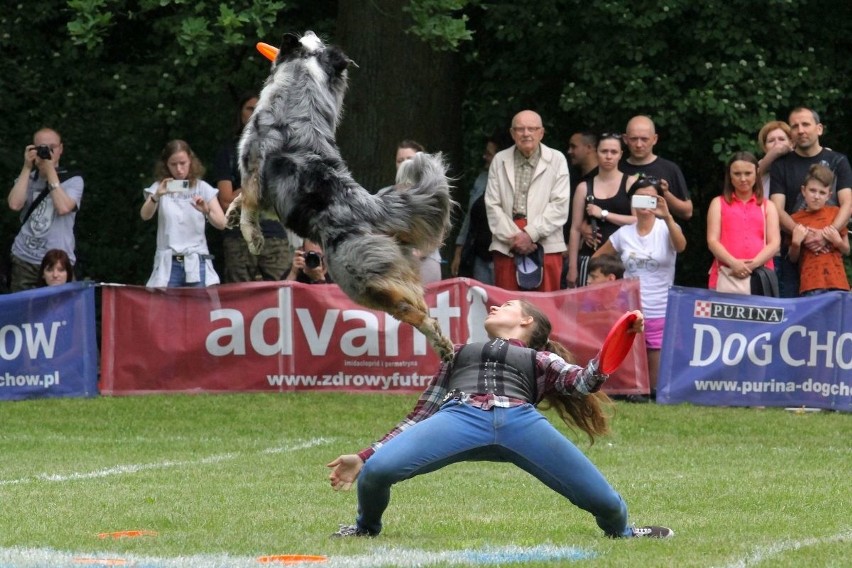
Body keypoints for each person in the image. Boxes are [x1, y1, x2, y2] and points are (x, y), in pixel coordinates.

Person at [326, 299, 673, 540]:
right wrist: (365, 456)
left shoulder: (542, 358)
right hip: (458, 417)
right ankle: (365, 529)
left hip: (522, 424)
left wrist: (623, 336)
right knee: (376, 473)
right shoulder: (458, 353)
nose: (495, 307)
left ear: (527, 322)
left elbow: (582, 382)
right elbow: (420, 415)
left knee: (608, 504)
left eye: (507, 306)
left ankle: (623, 532)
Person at [594, 177, 686, 399]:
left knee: (653, 387)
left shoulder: (667, 228)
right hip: (630, 311)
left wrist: (668, 216)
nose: (645, 202)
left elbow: (681, 246)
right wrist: (615, 281)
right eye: (640, 197)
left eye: (651, 198)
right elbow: (598, 259)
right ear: (632, 201)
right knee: (629, 373)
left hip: (660, 310)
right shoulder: (624, 234)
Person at [769, 107, 852, 297]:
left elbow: (847, 204)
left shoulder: (838, 161)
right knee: (794, 317)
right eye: (795, 126)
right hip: (793, 255)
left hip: (831, 258)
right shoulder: (781, 165)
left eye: (806, 124)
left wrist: (826, 234)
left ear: (819, 129)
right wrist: (805, 236)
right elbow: (776, 208)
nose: (800, 130)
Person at [485, 110, 571, 291]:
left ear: (541, 132)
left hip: (546, 243)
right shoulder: (500, 159)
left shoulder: (557, 159)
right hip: (507, 242)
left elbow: (559, 205)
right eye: (520, 129)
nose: (526, 134)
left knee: (544, 309)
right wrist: (516, 238)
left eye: (532, 129)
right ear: (512, 133)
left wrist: (531, 234)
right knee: (508, 308)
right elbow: (492, 205)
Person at [214, 92, 291, 282]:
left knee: (281, 295)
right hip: (238, 236)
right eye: (250, 108)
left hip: (274, 234)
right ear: (240, 114)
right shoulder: (227, 152)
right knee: (239, 297)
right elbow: (225, 202)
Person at [140, 139, 227, 287]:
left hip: (197, 261)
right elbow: (145, 215)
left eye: (183, 163)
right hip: (169, 263)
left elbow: (222, 223)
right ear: (166, 166)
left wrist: (206, 211)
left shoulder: (202, 187)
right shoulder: (159, 187)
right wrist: (156, 196)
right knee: (167, 310)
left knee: (200, 309)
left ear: (191, 162)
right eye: (173, 164)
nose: (179, 169)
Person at [7, 127, 84, 292]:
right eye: (41, 147)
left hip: (58, 262)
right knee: (23, 314)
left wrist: (50, 170)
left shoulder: (73, 180)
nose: (46, 151)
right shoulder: (27, 177)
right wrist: (27, 168)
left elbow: (63, 208)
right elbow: (14, 204)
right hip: (25, 259)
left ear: (61, 149)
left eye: (52, 147)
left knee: (62, 311)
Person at [566, 133, 637, 288]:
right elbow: (575, 229)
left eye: (614, 152)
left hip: (622, 259)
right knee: (587, 306)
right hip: (590, 258)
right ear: (596, 152)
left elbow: (638, 220)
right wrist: (572, 267)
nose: (608, 156)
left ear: (621, 155)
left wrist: (604, 214)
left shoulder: (631, 183)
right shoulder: (584, 187)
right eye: (604, 151)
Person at [707, 151, 780, 293]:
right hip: (725, 274)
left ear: (757, 173)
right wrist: (733, 263)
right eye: (737, 173)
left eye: (748, 173)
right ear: (729, 175)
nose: (743, 178)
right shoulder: (718, 203)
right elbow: (712, 241)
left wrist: (752, 265)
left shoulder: (768, 205)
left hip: (761, 276)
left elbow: (775, 243)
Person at [386, 140, 443, 285]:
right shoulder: (387, 195)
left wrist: (418, 253)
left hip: (425, 262)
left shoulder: (433, 193)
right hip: (395, 264)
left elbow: (438, 234)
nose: (404, 163)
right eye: (400, 160)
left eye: (409, 159)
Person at [788, 165, 850, 295]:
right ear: (804, 191)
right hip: (810, 283)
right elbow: (793, 259)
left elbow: (847, 250)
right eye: (812, 191)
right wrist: (796, 243)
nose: (817, 196)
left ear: (829, 195)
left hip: (838, 282)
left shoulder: (835, 213)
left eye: (822, 193)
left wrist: (837, 241)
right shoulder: (794, 219)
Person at [620, 116, 693, 221]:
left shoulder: (670, 169)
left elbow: (687, 212)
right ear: (625, 139)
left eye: (644, 139)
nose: (639, 144)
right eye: (634, 139)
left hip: (660, 235)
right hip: (622, 235)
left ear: (655, 139)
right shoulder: (615, 169)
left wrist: (665, 193)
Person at [450, 135, 500, 284]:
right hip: (479, 256)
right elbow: (469, 218)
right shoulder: (481, 180)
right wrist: (459, 251)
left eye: (489, 154)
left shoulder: (511, 181)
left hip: (502, 256)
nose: (485, 157)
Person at [562, 132, 600, 288]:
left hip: (589, 258)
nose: (569, 151)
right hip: (567, 254)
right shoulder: (572, 177)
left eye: (574, 146)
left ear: (589, 148)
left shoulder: (600, 181)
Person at [756, 120, 793, 195]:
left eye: (781, 139)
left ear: (791, 142)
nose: (777, 143)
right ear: (765, 147)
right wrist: (780, 150)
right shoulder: (761, 165)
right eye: (771, 141)